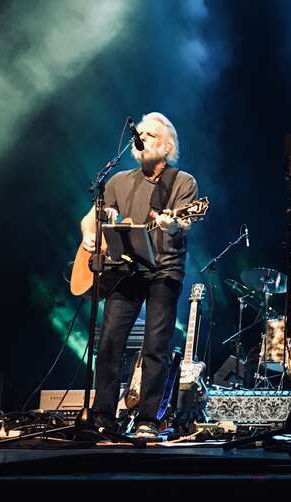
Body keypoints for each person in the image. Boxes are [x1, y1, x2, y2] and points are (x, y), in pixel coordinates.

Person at [80, 112, 198, 439]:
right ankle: (103, 414)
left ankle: (148, 418)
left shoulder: (182, 182)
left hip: (164, 271)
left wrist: (172, 223)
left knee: (155, 346)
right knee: (108, 342)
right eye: (140, 133)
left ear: (167, 144)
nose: (142, 138)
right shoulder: (118, 181)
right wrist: (91, 235)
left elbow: (183, 223)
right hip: (125, 272)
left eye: (151, 135)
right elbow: (90, 219)